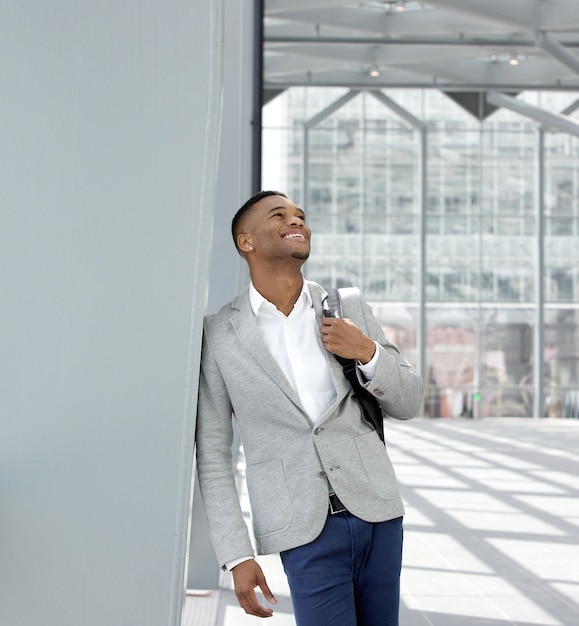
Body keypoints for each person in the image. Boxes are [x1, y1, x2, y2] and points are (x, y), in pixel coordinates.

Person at [195, 190, 423, 625]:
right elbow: (213, 456)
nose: (296, 220)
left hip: (377, 511)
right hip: (302, 527)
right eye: (279, 215)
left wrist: (367, 351)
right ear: (247, 242)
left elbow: (409, 399)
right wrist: (236, 554)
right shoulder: (220, 335)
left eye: (300, 215)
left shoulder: (346, 306)